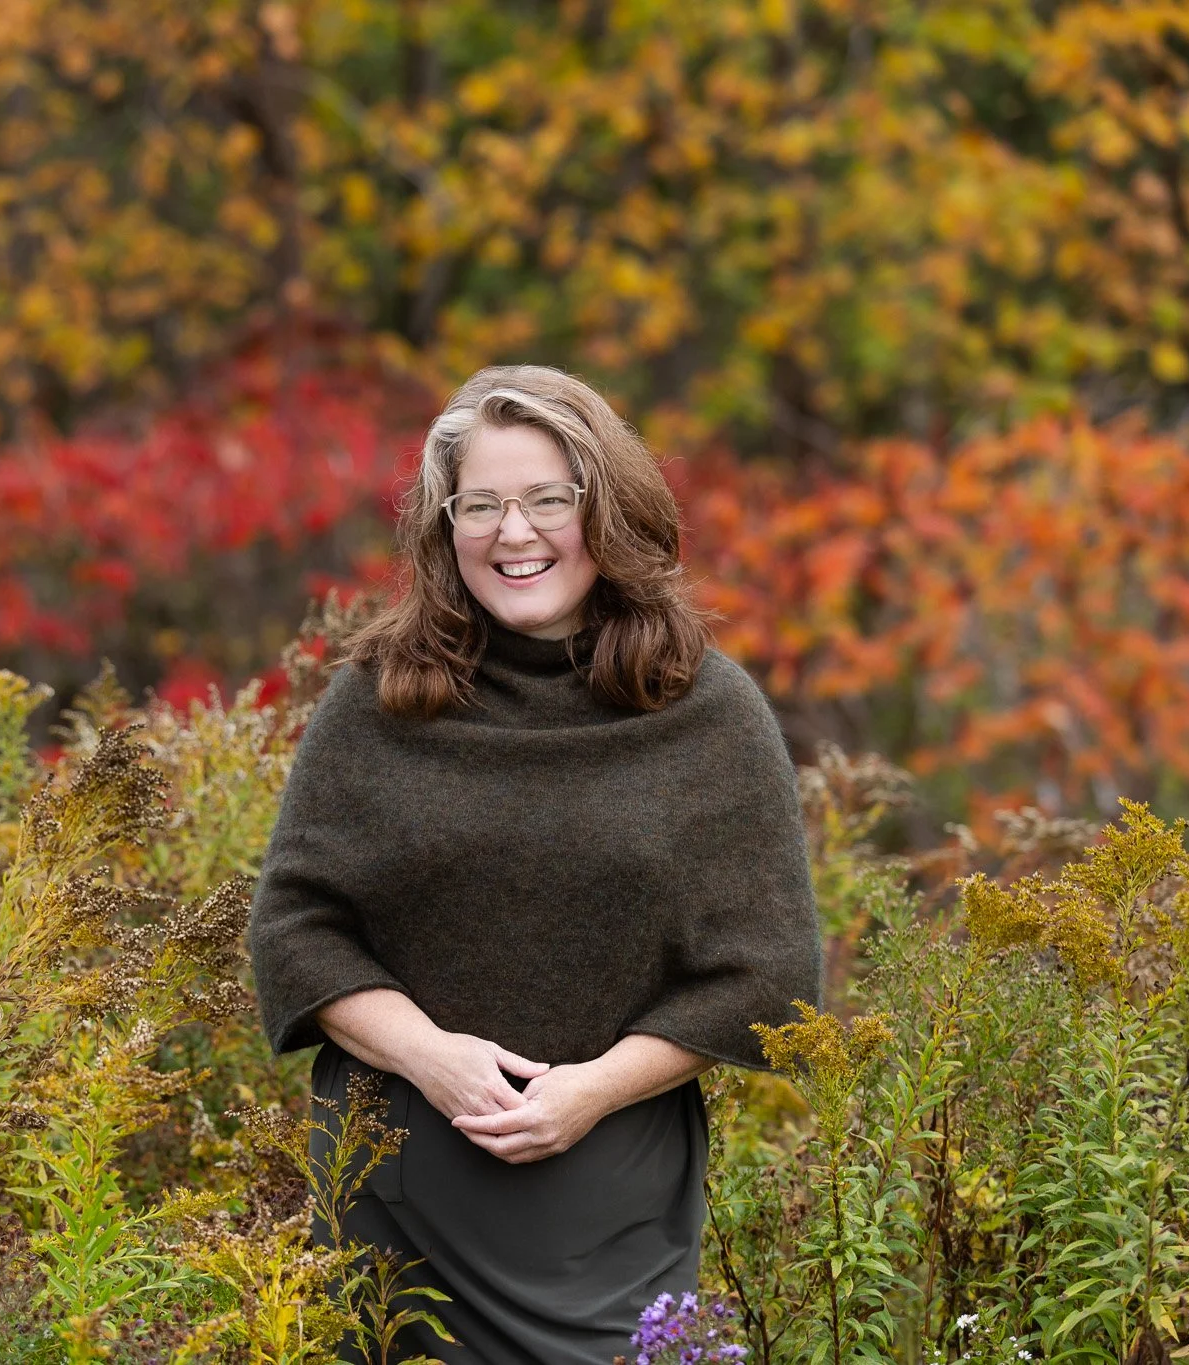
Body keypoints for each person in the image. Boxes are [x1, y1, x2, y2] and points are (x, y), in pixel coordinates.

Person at [246, 365, 823, 1365]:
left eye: (548, 499)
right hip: (395, 1188)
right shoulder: (380, 700)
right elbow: (296, 930)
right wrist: (430, 1056)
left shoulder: (703, 711)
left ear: (608, 510)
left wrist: (590, 1091)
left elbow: (764, 974)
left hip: (609, 1197)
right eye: (480, 506)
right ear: (443, 528)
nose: (513, 535)